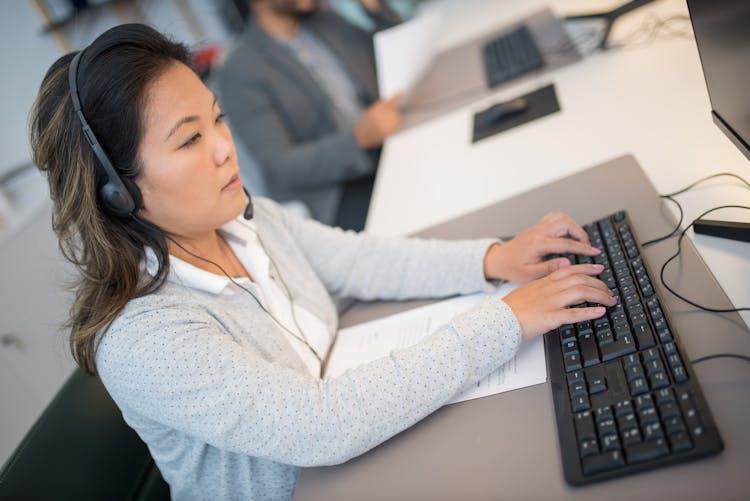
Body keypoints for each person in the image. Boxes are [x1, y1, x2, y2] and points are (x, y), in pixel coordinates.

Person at [30, 24, 615, 501]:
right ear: (116, 190)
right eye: (188, 140)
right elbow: (318, 426)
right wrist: (507, 319)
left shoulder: (238, 219)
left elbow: (361, 259)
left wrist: (494, 258)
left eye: (218, 118)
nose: (224, 146)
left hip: (358, 460)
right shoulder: (144, 336)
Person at [216, 0, 403, 231]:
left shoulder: (326, 22)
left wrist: (374, 8)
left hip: (388, 147)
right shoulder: (240, 70)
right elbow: (280, 166)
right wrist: (357, 139)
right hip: (337, 192)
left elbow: (397, 59)